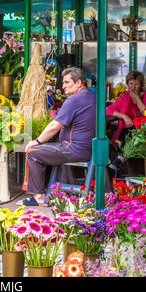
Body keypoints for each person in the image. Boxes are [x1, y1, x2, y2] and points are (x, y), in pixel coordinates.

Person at [18, 67, 96, 206]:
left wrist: (36, 141)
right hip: (90, 149)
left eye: (67, 82)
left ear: (78, 83)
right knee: (47, 149)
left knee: (32, 152)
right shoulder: (93, 97)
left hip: (72, 149)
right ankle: (60, 192)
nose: (63, 86)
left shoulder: (73, 100)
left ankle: (39, 197)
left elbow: (54, 127)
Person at [106, 70, 146, 170]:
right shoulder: (125, 96)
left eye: (136, 84)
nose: (133, 87)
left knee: (134, 133)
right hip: (124, 132)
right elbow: (108, 110)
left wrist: (138, 99)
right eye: (131, 84)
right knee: (128, 135)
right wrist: (123, 116)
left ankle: (121, 158)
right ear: (127, 84)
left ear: (141, 85)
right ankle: (121, 159)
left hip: (142, 131)